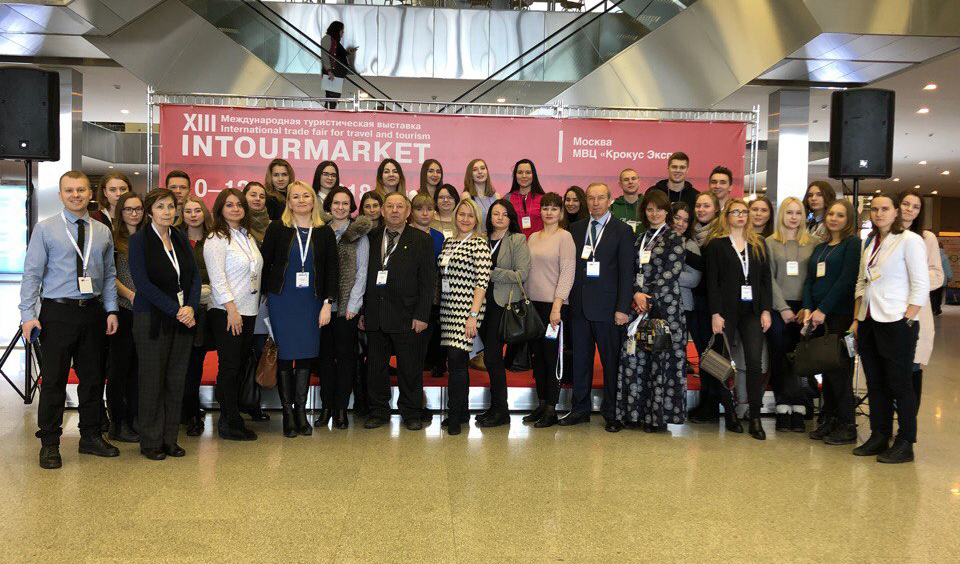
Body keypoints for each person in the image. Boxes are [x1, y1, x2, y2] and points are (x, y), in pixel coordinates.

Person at [21, 171, 121, 469]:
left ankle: (90, 436)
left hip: (92, 311)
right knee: (54, 380)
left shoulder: (101, 231)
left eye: (80, 190)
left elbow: (110, 274)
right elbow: (32, 274)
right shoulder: (45, 229)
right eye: (69, 190)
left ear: (90, 193)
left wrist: (111, 309)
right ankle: (50, 443)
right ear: (61, 195)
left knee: (92, 378)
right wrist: (28, 315)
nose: (75, 195)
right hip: (57, 313)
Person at [851, 193, 929, 463]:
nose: (879, 213)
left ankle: (906, 442)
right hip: (869, 321)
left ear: (896, 211)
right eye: (874, 209)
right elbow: (861, 283)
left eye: (885, 208)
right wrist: (858, 318)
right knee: (875, 383)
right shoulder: (871, 242)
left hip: (897, 322)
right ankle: (879, 435)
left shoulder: (910, 240)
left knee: (899, 384)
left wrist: (907, 318)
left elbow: (921, 285)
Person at [128, 188, 200, 460]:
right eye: (160, 207)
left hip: (183, 318)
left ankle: (170, 439)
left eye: (170, 206)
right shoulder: (140, 240)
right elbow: (142, 283)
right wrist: (176, 310)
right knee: (152, 382)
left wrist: (190, 306)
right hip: (152, 318)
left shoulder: (179, 236)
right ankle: (151, 441)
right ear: (149, 212)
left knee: (175, 381)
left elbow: (194, 277)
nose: (167, 212)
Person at [261, 181, 338, 437]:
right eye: (296, 197)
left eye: (306, 196)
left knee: (305, 354)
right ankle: (287, 413)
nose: (302, 200)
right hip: (282, 300)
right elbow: (266, 263)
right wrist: (265, 295)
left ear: (313, 200)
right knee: (284, 355)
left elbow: (332, 270)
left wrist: (328, 303)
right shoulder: (277, 228)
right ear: (289, 202)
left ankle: (301, 412)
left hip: (312, 302)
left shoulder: (324, 232)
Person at [560, 182, 635, 432]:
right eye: (591, 198)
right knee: (580, 362)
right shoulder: (576, 228)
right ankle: (579, 409)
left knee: (610, 363)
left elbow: (626, 273)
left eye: (600, 198)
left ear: (609, 200)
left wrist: (622, 308)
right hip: (580, 307)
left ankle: (612, 412)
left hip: (609, 309)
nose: (595, 203)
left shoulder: (622, 230)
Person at [361, 192, 436, 430]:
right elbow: (362, 277)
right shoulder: (371, 237)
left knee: (410, 368)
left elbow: (428, 281)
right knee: (375, 367)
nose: (394, 211)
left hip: (408, 315)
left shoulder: (421, 239)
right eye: (390, 206)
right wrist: (362, 311)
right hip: (375, 313)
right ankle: (378, 411)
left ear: (408, 212)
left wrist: (422, 315)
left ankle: (411, 412)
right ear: (382, 211)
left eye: (400, 207)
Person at [618, 189, 688, 432]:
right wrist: (635, 294)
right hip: (637, 307)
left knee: (660, 361)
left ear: (667, 211)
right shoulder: (639, 239)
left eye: (659, 209)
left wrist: (647, 299)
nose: (655, 213)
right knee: (636, 359)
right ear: (644, 212)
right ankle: (635, 414)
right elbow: (629, 270)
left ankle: (656, 418)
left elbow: (671, 273)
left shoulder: (675, 238)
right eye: (650, 209)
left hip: (664, 309)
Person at [703, 198, 772, 440]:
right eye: (736, 212)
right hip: (726, 312)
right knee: (722, 362)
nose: (741, 215)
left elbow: (765, 280)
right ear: (727, 216)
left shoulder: (758, 244)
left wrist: (766, 310)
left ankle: (755, 417)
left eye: (744, 211)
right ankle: (730, 412)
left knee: (755, 362)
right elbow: (712, 282)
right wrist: (715, 313)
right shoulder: (717, 245)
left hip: (752, 311)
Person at [203, 189, 266, 441]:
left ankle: (232, 415)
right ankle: (229, 422)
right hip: (226, 312)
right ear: (220, 209)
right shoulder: (216, 238)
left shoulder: (246, 235)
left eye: (239, 205)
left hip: (249, 310)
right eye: (229, 205)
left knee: (238, 365)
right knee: (229, 366)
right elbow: (217, 278)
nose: (235, 209)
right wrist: (231, 309)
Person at [800, 199, 860, 444]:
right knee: (826, 369)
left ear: (849, 220)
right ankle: (831, 419)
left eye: (840, 215)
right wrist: (808, 308)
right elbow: (809, 280)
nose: (834, 218)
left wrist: (823, 309)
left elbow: (847, 280)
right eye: (831, 214)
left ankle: (848, 424)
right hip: (817, 317)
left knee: (840, 371)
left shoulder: (852, 244)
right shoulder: (821, 247)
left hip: (840, 315)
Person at [317, 186, 372, 430]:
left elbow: (362, 273)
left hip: (347, 309)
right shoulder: (320, 232)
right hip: (322, 308)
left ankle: (341, 409)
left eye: (345, 203)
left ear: (351, 207)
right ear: (329, 205)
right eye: (336, 203)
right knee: (325, 359)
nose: (340, 207)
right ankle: (326, 407)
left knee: (346, 359)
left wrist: (353, 305)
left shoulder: (359, 235)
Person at [438, 199, 493, 435]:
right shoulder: (449, 242)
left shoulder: (479, 244)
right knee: (457, 362)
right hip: (448, 309)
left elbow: (482, 282)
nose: (465, 219)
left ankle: (453, 416)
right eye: (461, 214)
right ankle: (462, 412)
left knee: (457, 361)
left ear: (476, 220)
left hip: (467, 309)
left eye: (470, 216)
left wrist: (473, 316)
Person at [476, 199, 530, 427]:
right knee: (490, 358)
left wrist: (491, 272)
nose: (499, 218)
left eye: (504, 214)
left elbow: (522, 274)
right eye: (495, 213)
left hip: (502, 305)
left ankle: (501, 411)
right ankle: (495, 407)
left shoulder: (517, 239)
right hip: (480, 305)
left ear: (511, 218)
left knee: (492, 357)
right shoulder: (481, 239)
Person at [765, 197, 816, 432]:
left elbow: (814, 279)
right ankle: (783, 406)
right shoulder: (770, 242)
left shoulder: (813, 243)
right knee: (780, 358)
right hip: (779, 308)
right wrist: (783, 308)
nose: (793, 217)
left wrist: (807, 307)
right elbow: (768, 278)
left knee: (802, 359)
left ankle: (800, 407)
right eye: (789, 212)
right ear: (782, 215)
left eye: (798, 213)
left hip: (805, 308)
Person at [524, 192, 575, 428]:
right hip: (533, 306)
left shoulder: (565, 237)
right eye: (545, 208)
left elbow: (567, 273)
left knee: (551, 358)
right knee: (537, 359)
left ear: (561, 213)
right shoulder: (533, 237)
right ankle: (541, 403)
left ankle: (551, 409)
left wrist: (557, 306)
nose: (549, 212)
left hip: (553, 307)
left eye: (554, 208)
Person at [897, 188, 943, 409]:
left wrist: (912, 281)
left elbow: (937, 275)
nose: (910, 209)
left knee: (912, 367)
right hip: (886, 311)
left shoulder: (926, 238)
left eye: (916, 207)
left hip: (916, 311)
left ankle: (908, 419)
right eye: (906, 204)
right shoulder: (885, 235)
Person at [107, 192, 144, 444]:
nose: (134, 213)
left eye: (138, 208)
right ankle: (117, 423)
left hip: (145, 312)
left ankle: (133, 419)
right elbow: (109, 275)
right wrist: (131, 295)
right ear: (121, 212)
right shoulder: (112, 239)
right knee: (119, 369)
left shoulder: (149, 238)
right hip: (123, 311)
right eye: (128, 209)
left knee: (137, 370)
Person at [180, 195, 214, 437]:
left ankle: (192, 413)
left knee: (195, 362)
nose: (193, 215)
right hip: (179, 309)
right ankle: (184, 409)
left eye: (197, 210)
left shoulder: (214, 238)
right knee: (182, 363)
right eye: (188, 211)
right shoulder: (174, 238)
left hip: (206, 310)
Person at [687, 191, 722, 422]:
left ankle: (714, 403)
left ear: (716, 209)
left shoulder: (721, 235)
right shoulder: (693, 234)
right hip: (697, 300)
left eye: (706, 206)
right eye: (698, 206)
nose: (701, 209)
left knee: (714, 354)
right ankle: (706, 401)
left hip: (714, 303)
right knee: (702, 353)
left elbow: (709, 267)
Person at [410, 193, 447, 379]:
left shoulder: (438, 236)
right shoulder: (405, 234)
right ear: (411, 212)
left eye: (429, 209)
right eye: (420, 209)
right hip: (410, 298)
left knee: (432, 339)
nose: (425, 213)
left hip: (434, 297)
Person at [320, 20, 357, 109]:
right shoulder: (327, 38)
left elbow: (338, 54)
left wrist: (348, 52)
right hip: (332, 72)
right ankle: (329, 115)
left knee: (334, 97)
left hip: (337, 73)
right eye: (342, 30)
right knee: (332, 97)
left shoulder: (335, 40)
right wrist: (329, 71)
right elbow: (325, 55)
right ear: (337, 30)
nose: (343, 32)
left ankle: (330, 113)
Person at [507, 159, 544, 237]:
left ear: (533, 175)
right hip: (514, 243)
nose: (524, 176)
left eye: (528, 172)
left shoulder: (543, 199)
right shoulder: (507, 198)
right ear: (515, 175)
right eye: (520, 172)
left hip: (538, 243)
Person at [463, 158, 499, 227]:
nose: (480, 172)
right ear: (470, 174)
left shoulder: (496, 196)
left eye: (482, 168)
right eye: (475, 170)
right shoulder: (466, 196)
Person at [932, 241, 952, 316]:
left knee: (932, 295)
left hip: (931, 279)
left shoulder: (929, 255)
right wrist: (950, 277)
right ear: (942, 247)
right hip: (941, 279)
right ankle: (937, 309)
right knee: (939, 295)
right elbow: (947, 268)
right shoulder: (944, 256)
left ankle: (932, 309)